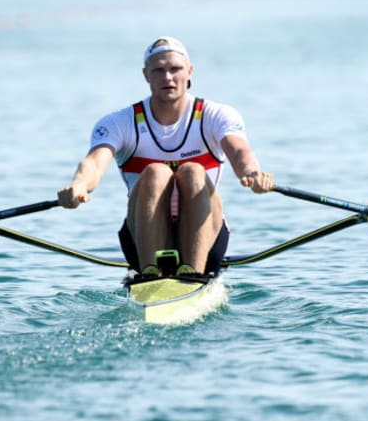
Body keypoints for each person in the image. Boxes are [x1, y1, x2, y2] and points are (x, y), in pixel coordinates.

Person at [57, 36, 273, 277]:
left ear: (189, 71)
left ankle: (192, 273)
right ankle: (150, 274)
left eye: (175, 69)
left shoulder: (216, 115)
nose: (168, 77)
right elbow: (95, 163)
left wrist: (253, 174)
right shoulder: (119, 123)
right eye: (158, 70)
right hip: (139, 242)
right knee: (156, 172)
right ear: (146, 75)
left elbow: (239, 151)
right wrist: (79, 185)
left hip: (208, 241)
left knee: (192, 171)